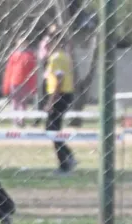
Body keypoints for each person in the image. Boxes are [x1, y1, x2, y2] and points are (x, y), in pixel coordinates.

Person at [44, 34, 77, 175]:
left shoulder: (55, 58)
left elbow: (59, 79)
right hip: (67, 94)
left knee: (51, 130)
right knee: (54, 130)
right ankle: (68, 156)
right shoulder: (66, 57)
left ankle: (65, 163)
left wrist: (51, 101)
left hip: (59, 95)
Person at [2, 38, 38, 128]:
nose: (22, 45)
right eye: (20, 43)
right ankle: (15, 121)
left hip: (25, 82)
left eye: (23, 43)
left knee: (23, 103)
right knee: (15, 102)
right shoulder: (14, 55)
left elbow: (33, 71)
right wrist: (6, 85)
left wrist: (33, 86)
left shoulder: (30, 55)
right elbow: (9, 70)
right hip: (14, 81)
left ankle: (21, 121)